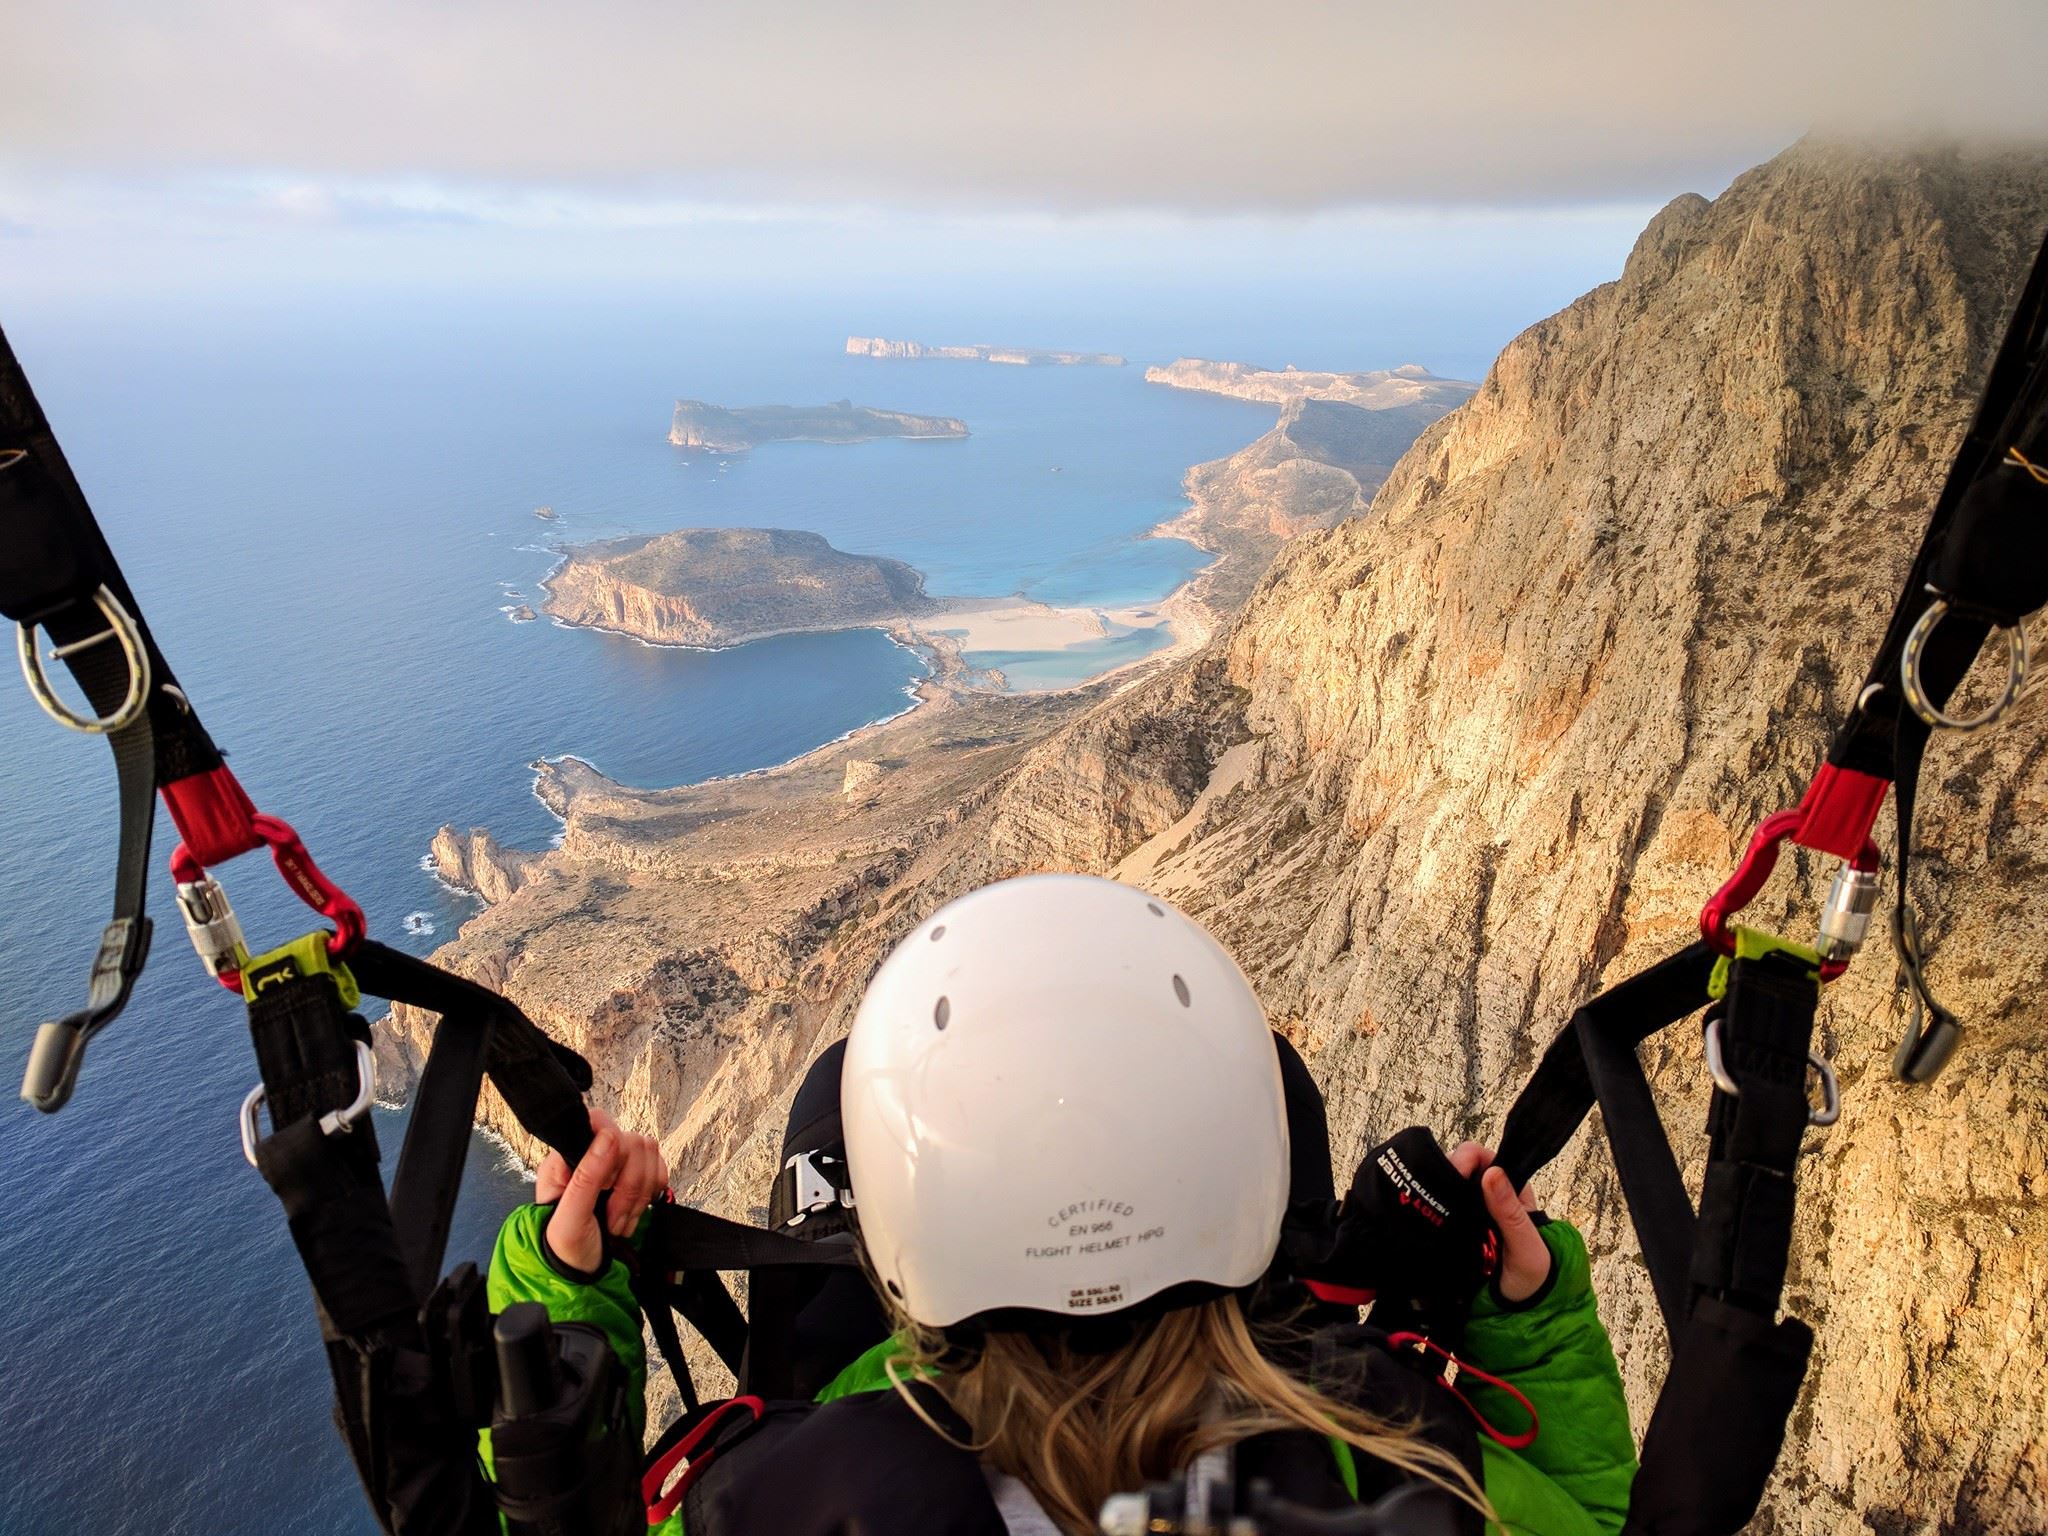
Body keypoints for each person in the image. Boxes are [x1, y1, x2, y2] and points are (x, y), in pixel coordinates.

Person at [489, 874, 1639, 1534]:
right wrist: (1523, 1328)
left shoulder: (780, 1500)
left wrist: (564, 1303)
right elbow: (1598, 1520)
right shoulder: (1389, 1451)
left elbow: (547, 1520)